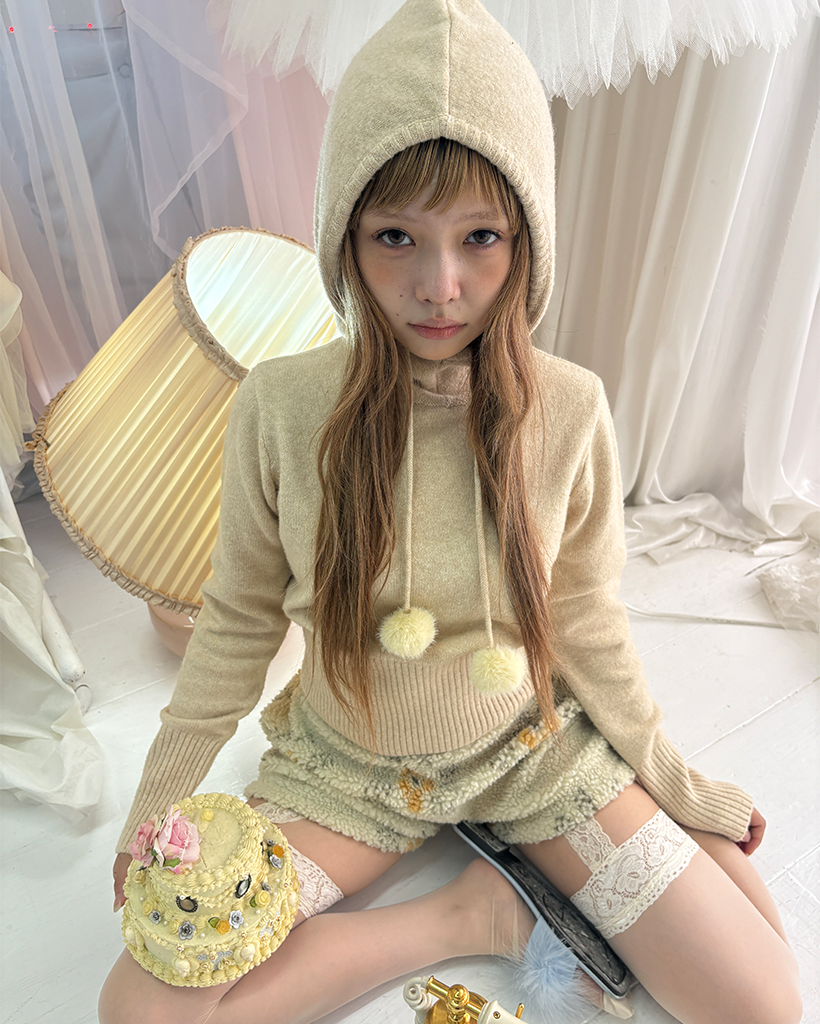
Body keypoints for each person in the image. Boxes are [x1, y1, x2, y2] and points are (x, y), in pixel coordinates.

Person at [98, 1, 801, 1022]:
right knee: (143, 1008)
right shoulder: (283, 407)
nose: (441, 286)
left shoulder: (570, 409)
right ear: (345, 235)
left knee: (764, 1000)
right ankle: (472, 910)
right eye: (396, 237)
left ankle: (552, 844)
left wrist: (672, 778)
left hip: (531, 755)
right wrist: (158, 799)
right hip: (346, 772)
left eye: (480, 237)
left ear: (526, 240)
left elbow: (586, 620)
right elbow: (239, 619)